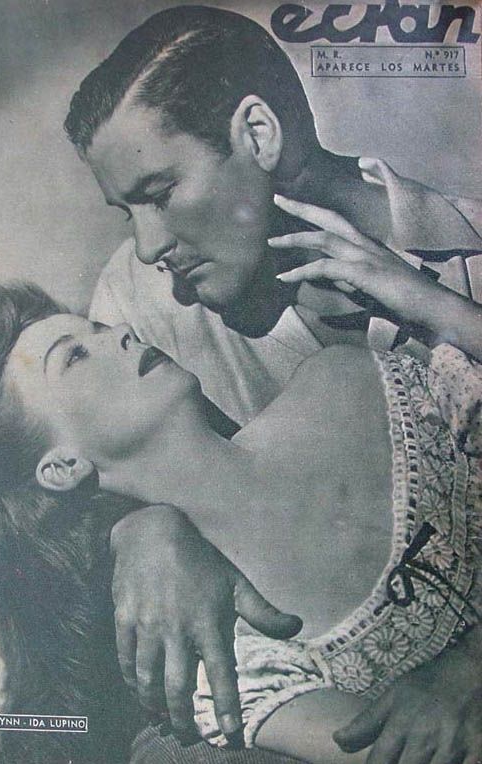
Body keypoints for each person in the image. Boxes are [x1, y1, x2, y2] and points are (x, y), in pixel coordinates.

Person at [63, 5, 482, 761]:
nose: (148, 245)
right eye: (128, 211)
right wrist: (140, 528)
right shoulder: (139, 300)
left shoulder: (472, 258)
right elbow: (72, 460)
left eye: (160, 191)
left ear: (259, 134)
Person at [0, 280, 480, 763]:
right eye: (75, 356)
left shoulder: (342, 377)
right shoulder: (216, 657)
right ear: (62, 467)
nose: (120, 333)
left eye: (97, 328)